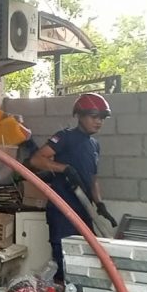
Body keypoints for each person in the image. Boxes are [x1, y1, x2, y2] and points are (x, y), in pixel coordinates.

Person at [30, 92, 111, 282]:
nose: (98, 121)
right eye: (94, 116)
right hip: (62, 210)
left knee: (86, 257)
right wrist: (64, 168)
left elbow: (93, 178)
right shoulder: (65, 137)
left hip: (84, 210)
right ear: (80, 116)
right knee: (63, 259)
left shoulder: (94, 145)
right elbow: (36, 160)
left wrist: (99, 203)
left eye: (102, 118)